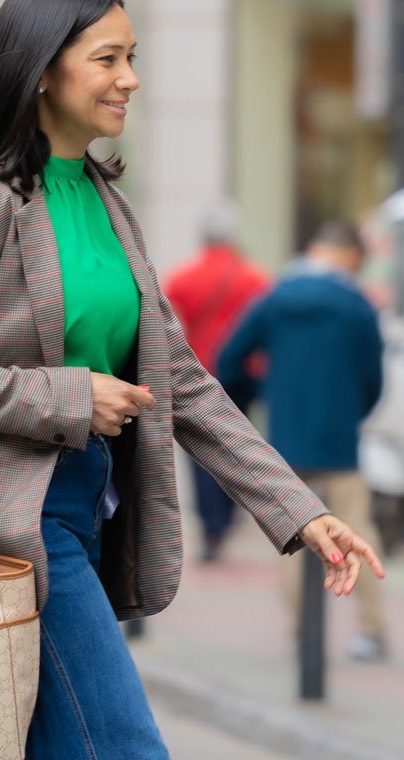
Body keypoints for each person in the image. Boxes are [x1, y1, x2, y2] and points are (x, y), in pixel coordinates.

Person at [0, 0, 384, 760]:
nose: (130, 79)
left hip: (88, 508)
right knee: (121, 746)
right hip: (11, 524)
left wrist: (299, 512)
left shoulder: (110, 206)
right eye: (108, 58)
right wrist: (69, 397)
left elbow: (179, 380)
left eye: (132, 57)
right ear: (44, 68)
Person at [217, 220, 389, 662]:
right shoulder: (357, 306)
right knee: (357, 530)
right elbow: (374, 378)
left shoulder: (274, 298)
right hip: (340, 441)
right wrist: (354, 412)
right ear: (350, 255)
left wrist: (258, 399)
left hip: (286, 442)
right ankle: (371, 630)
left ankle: (301, 634)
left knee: (292, 534)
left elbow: (229, 359)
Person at [164, 203, 270, 561]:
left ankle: (211, 526)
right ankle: (229, 515)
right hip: (242, 374)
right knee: (238, 442)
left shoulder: (183, 277)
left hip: (199, 371)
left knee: (201, 451)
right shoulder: (255, 278)